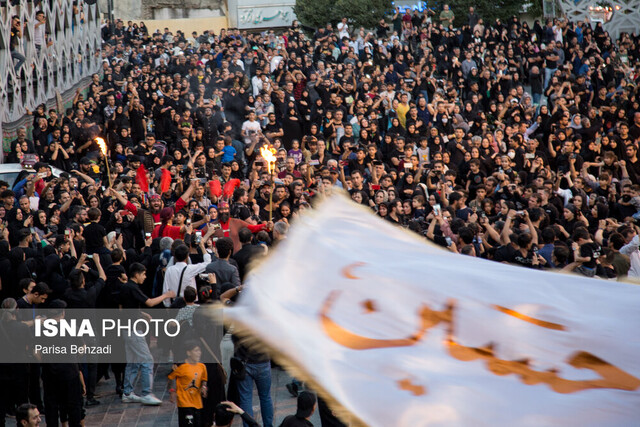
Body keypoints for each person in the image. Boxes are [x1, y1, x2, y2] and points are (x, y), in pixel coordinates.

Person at [169, 341, 208, 427]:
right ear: (188, 353)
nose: (199, 353)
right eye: (196, 351)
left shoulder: (202, 366)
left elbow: (204, 379)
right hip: (184, 403)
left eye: (200, 351)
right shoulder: (180, 366)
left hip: (198, 403)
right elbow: (171, 378)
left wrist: (204, 387)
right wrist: (172, 391)